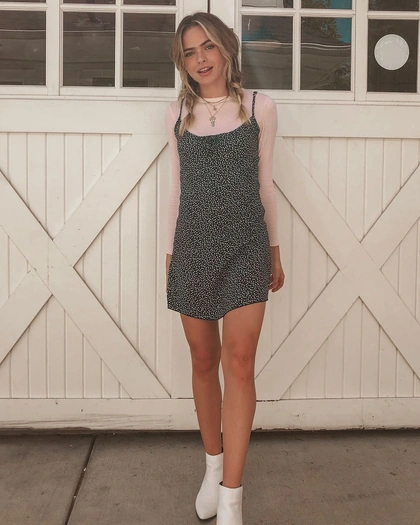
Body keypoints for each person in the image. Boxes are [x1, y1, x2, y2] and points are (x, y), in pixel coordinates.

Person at [165, 12, 285, 525]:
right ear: (182, 62)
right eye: (190, 52)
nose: (201, 59)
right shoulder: (177, 113)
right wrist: (170, 251)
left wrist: (274, 249)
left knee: (239, 362)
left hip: (246, 247)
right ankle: (212, 469)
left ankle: (232, 497)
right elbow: (177, 188)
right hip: (192, 247)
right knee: (202, 359)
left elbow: (265, 184)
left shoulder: (260, 107)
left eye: (208, 47)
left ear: (227, 48)